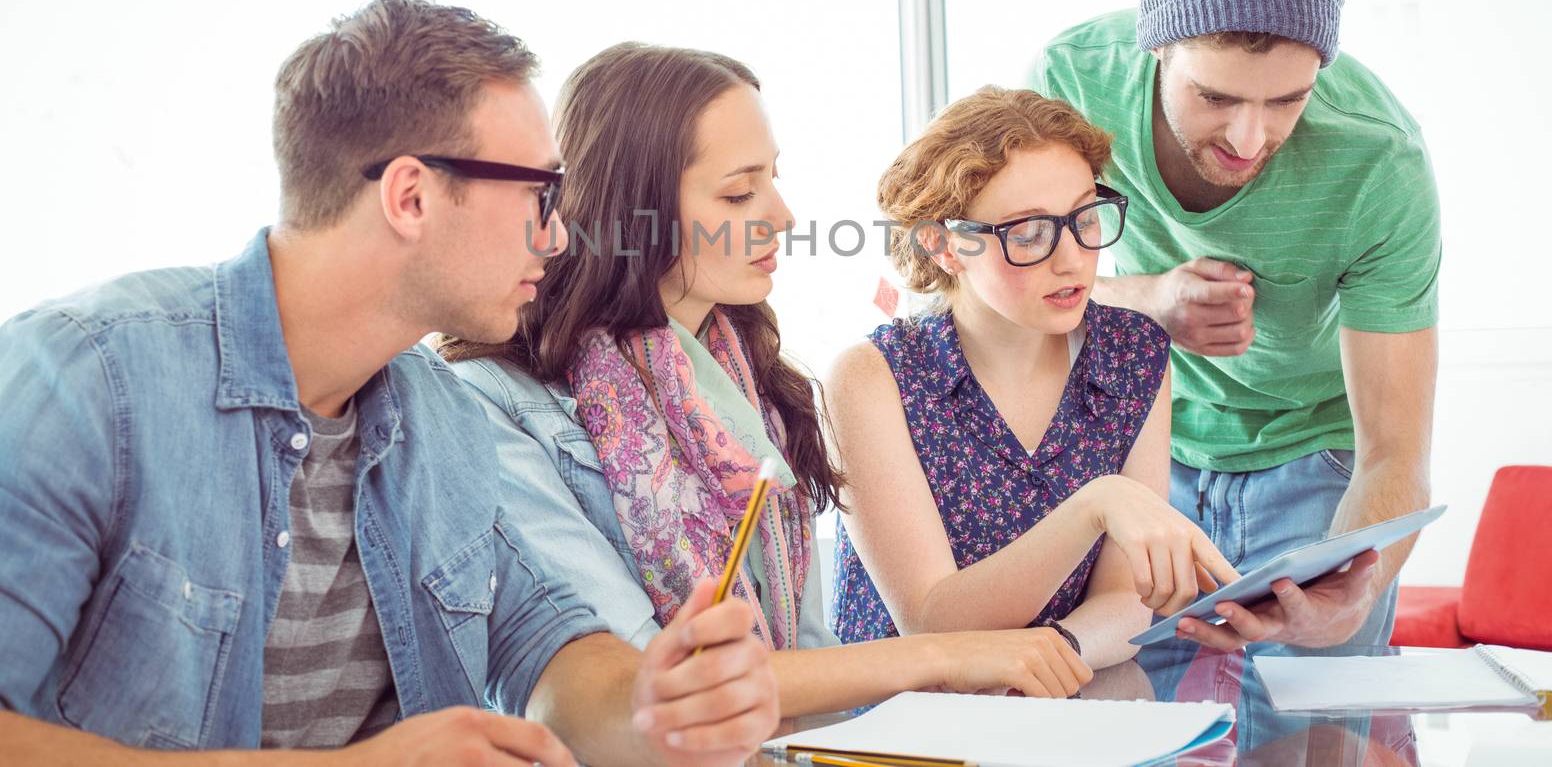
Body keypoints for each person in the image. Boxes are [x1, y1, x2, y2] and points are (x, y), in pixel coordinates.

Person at [0, 0, 777, 766]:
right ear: (411, 195)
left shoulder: (444, 418)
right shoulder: (84, 377)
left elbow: (550, 645)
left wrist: (660, 702)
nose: (559, 235)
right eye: (539, 193)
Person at [442, 43, 1097, 712]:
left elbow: (803, 655)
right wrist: (945, 654)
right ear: (632, 212)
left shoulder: (756, 386)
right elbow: (637, 686)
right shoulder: (496, 403)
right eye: (738, 191)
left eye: (774, 178)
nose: (782, 216)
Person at [1031, 0, 1439, 666]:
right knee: (1126, 730)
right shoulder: (1071, 80)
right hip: (1141, 453)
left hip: (1319, 465)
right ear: (1156, 45)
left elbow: (1395, 450)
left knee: (1314, 739)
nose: (1251, 138)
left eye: (1288, 98)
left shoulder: (1380, 159)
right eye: (1215, 96)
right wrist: (1155, 301)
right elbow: (1011, 283)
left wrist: (1355, 590)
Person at [826, 87, 1237, 668]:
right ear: (944, 246)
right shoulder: (872, 376)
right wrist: (1096, 504)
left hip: (1058, 706)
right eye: (1028, 233)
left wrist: (1055, 657)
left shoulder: (1133, 353)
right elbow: (929, 619)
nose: (1071, 258)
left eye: (1085, 217)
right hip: (902, 727)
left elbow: (1123, 598)